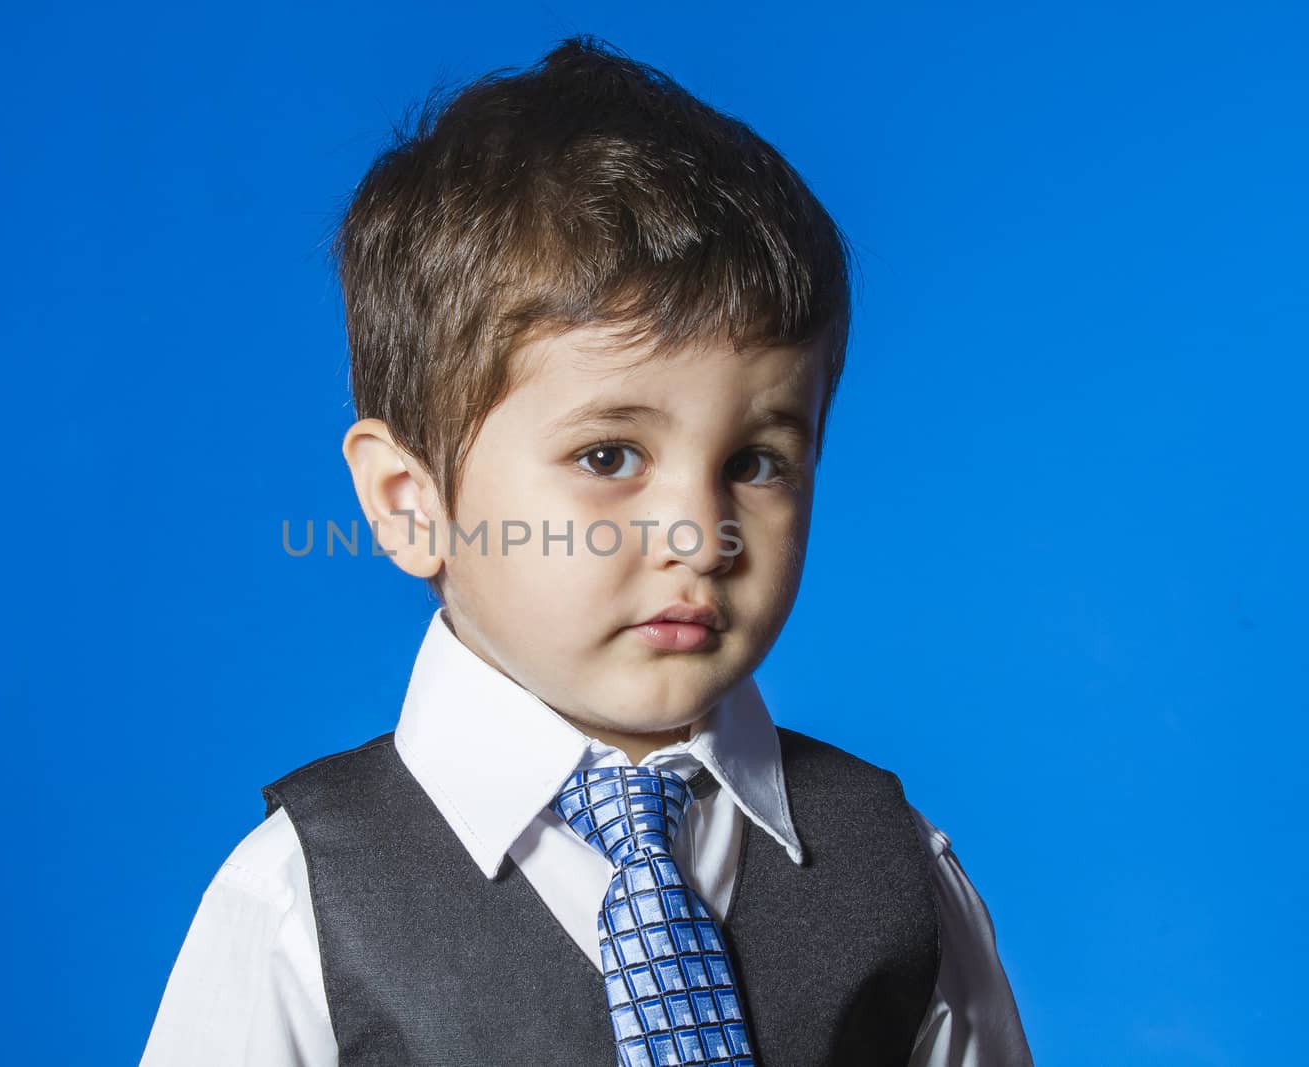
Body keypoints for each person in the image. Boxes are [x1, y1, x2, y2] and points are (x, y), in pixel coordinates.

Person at [140, 34, 1031, 1067]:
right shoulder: (299, 898)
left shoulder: (894, 867)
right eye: (609, 454)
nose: (698, 533)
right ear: (407, 501)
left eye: (756, 460)